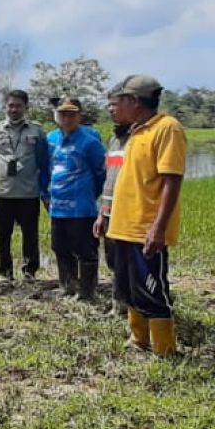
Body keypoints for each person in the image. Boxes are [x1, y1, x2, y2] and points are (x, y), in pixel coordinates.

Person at [105, 75, 187, 356]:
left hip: (144, 229)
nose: (115, 107)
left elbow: (171, 181)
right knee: (129, 290)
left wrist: (158, 228)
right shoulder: (136, 131)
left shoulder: (167, 129)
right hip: (122, 227)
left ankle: (164, 351)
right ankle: (138, 341)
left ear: (135, 102)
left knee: (152, 291)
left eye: (121, 101)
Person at [0, 89, 50, 286]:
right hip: (2, 191)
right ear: (5, 107)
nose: (14, 109)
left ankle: (30, 271)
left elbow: (42, 159)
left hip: (28, 191)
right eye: (10, 105)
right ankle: (4, 272)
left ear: (26, 107)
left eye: (18, 106)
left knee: (30, 234)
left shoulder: (36, 130)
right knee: (3, 235)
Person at [46, 96, 106, 300]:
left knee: (85, 249)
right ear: (57, 116)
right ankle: (67, 286)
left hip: (81, 207)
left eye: (72, 114)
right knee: (60, 247)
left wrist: (90, 194)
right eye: (63, 114)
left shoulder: (90, 142)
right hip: (57, 207)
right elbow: (47, 168)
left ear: (79, 116)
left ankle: (87, 292)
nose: (67, 118)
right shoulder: (51, 139)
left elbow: (101, 174)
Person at [93, 106, 134, 315]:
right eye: (108, 107)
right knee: (113, 260)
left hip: (128, 212)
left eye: (116, 107)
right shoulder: (113, 141)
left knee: (127, 261)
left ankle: (131, 305)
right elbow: (110, 179)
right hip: (109, 210)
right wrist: (101, 213)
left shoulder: (138, 141)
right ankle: (119, 303)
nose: (110, 111)